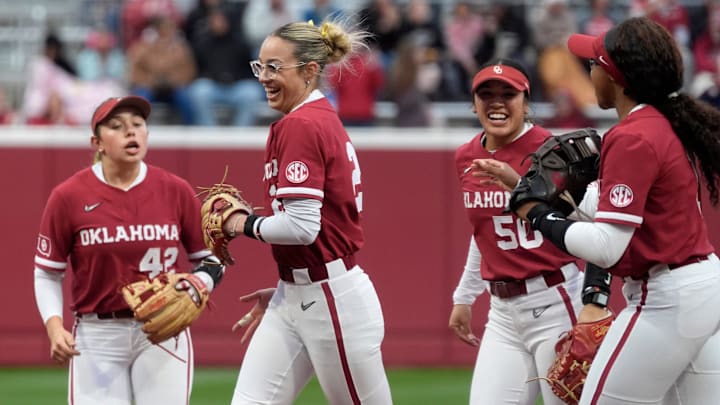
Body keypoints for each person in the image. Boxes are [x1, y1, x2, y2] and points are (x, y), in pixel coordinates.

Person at [503, 17, 720, 404]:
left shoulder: (632, 135)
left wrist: (537, 214)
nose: (589, 71)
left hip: (666, 297)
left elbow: (607, 248)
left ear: (616, 77)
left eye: (595, 63)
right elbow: (621, 221)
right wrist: (565, 204)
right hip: (699, 289)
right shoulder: (663, 122)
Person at [213, 18, 393, 404]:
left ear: (311, 71)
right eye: (260, 66)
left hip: (331, 299)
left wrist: (242, 224)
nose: (264, 76)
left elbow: (302, 227)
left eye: (275, 67)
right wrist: (289, 284)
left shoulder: (303, 125)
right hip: (299, 292)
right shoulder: (310, 119)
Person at [32, 96, 225, 404]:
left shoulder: (174, 189)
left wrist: (197, 284)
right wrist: (55, 327)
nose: (130, 132)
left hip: (162, 332)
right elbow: (47, 272)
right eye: (117, 126)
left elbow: (213, 260)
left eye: (138, 124)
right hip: (97, 336)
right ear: (97, 142)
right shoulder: (68, 196)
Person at [449, 58, 605, 405]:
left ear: (526, 101)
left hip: (555, 298)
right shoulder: (466, 156)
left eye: (508, 93)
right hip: (502, 312)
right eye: (486, 94)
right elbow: (485, 232)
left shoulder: (554, 150)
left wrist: (519, 186)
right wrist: (464, 296)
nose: (497, 102)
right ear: (474, 104)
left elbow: (592, 224)